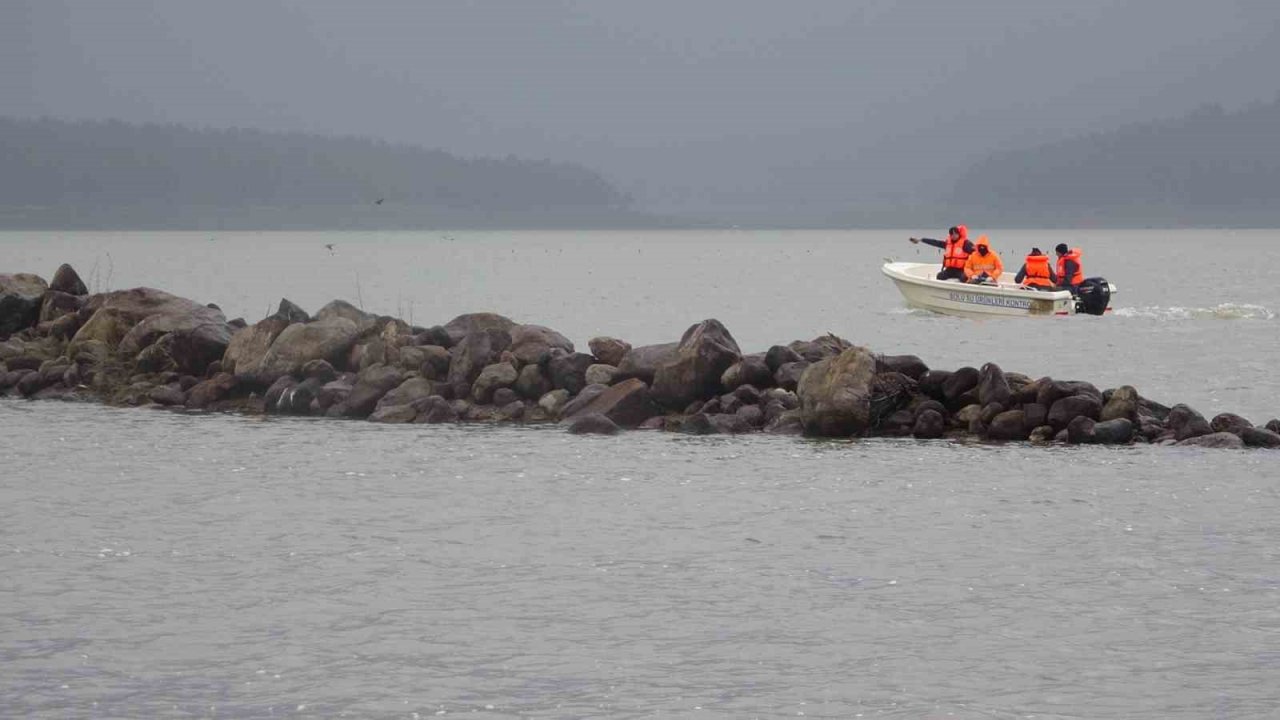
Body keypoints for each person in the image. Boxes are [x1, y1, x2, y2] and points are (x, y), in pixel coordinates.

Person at [908, 225, 972, 281]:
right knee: (940, 276)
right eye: (952, 234)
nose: (954, 235)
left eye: (955, 234)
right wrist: (921, 240)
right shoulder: (947, 244)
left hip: (961, 269)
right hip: (950, 269)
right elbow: (935, 242)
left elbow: (976, 251)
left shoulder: (965, 244)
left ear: (959, 234)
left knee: (964, 278)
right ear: (950, 235)